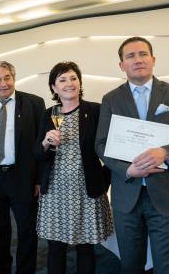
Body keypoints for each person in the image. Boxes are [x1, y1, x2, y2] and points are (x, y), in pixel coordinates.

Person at [95, 37, 169, 274]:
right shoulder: (111, 99)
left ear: (153, 59)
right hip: (127, 196)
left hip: (168, 196)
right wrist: (127, 169)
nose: (137, 60)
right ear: (121, 65)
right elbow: (102, 144)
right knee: (130, 266)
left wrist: (166, 152)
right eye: (130, 56)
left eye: (143, 54)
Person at [36, 61, 113, 274]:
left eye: (73, 78)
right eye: (62, 80)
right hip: (55, 192)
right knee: (55, 247)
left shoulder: (95, 110)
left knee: (85, 247)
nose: (69, 83)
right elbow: (36, 153)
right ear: (53, 87)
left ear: (80, 82)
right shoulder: (48, 114)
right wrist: (45, 143)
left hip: (86, 192)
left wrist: (103, 179)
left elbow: (112, 147)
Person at [0, 61, 45, 274]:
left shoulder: (34, 103)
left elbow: (40, 145)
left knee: (27, 231)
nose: (3, 83)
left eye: (7, 78)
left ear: (14, 79)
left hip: (22, 177)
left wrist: (40, 179)